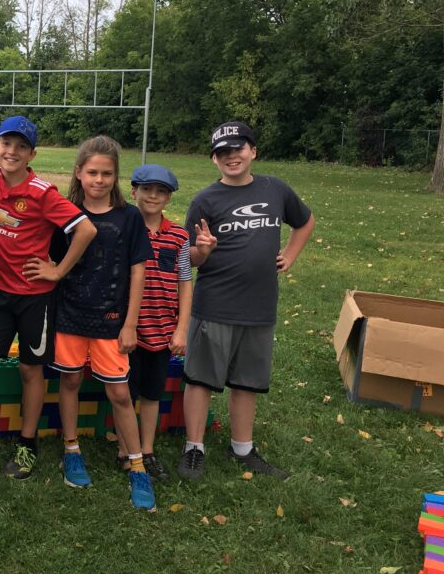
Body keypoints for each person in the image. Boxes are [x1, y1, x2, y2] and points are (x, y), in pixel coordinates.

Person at [0, 87, 97, 481]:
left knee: (30, 371)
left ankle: (27, 445)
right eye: (6, 143)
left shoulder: (42, 192)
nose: (12, 151)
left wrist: (57, 272)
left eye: (21, 147)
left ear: (32, 155)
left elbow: (86, 229)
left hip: (36, 300)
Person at [179, 121, 314, 481]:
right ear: (214, 160)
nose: (231, 156)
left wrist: (291, 254)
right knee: (201, 380)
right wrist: (202, 251)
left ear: (252, 151)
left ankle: (243, 449)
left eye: (238, 149)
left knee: (247, 382)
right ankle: (194, 448)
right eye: (222, 152)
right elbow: (188, 258)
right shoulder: (205, 201)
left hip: (259, 306)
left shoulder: (275, 189)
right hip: (215, 304)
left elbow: (305, 220)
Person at [49, 136, 156, 510]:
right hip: (70, 314)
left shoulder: (129, 218)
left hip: (112, 319)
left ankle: (138, 467)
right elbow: (52, 259)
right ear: (79, 172)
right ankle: (71, 449)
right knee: (71, 380)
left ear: (116, 177)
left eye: (107, 173)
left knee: (120, 393)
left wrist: (130, 323)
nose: (99, 179)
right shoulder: (64, 212)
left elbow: (138, 270)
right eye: (92, 172)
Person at [116, 164, 192, 483]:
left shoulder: (179, 235)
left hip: (162, 332)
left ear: (169, 198)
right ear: (134, 192)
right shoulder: (122, 229)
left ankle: (147, 450)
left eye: (161, 191)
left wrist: (182, 328)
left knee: (150, 394)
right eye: (147, 189)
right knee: (124, 394)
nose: (153, 196)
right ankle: (125, 452)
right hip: (127, 330)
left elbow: (186, 281)